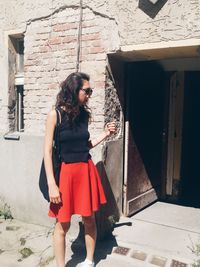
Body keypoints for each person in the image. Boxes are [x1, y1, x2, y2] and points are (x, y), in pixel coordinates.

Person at [43, 72, 116, 267]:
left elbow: (85, 145)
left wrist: (105, 134)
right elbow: (47, 151)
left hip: (85, 171)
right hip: (65, 174)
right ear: (74, 90)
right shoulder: (54, 115)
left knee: (89, 220)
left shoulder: (84, 115)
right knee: (62, 225)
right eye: (87, 90)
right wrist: (52, 184)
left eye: (91, 90)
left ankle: (89, 261)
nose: (90, 94)